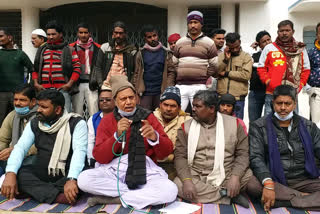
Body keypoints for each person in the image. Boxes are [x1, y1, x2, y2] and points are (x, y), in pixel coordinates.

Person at [77, 76, 177, 209]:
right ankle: (134, 196)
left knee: (170, 190)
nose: (129, 102)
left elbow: (166, 151)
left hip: (145, 170)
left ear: (137, 98)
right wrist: (116, 136)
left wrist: (154, 136)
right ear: (115, 101)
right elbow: (99, 156)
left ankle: (115, 199)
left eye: (131, 97)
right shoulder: (107, 121)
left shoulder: (148, 117)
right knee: (84, 179)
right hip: (114, 170)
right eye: (123, 99)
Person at [1, 89, 87, 204]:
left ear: (57, 110)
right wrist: (10, 173)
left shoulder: (76, 123)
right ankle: (57, 196)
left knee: (83, 180)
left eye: (44, 107)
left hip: (66, 174)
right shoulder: (35, 123)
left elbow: (79, 151)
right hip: (42, 173)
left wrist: (72, 179)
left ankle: (38, 192)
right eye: (38, 106)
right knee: (18, 175)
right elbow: (20, 148)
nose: (39, 110)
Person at [174, 90, 252, 207]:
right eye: (193, 106)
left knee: (251, 181)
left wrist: (235, 176)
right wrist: (187, 180)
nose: (193, 109)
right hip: (196, 174)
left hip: (226, 173)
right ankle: (226, 196)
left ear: (211, 109)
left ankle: (212, 194)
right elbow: (180, 157)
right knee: (177, 185)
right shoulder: (186, 127)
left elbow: (243, 154)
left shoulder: (235, 125)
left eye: (198, 106)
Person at [248, 85, 320, 211]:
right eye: (279, 103)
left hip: (304, 179)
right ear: (272, 103)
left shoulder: (309, 126)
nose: (283, 108)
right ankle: (305, 199)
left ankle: (286, 200)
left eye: (287, 104)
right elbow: (255, 157)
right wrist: (268, 183)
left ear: (294, 104)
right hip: (274, 180)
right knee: (250, 184)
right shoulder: (259, 126)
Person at [258, 20, 310, 116]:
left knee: (292, 124)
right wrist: (268, 82)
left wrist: (300, 85)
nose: (284, 33)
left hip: (292, 93)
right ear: (278, 32)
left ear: (293, 31)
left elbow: (306, 69)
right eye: (281, 31)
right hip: (272, 93)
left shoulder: (300, 48)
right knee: (270, 124)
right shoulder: (269, 48)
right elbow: (261, 68)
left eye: (287, 30)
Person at [32, 20, 81, 113]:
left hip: (62, 90)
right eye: (48, 34)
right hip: (44, 90)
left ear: (60, 34)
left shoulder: (69, 50)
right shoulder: (42, 49)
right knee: (45, 115)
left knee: (64, 115)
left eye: (53, 34)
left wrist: (69, 84)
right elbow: (35, 68)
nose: (50, 37)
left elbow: (77, 68)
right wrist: (36, 83)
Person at [174, 11, 218, 111]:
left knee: (200, 114)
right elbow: (174, 62)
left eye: (196, 22)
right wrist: (182, 73)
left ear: (201, 24)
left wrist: (204, 76)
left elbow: (214, 64)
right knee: (176, 115)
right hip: (181, 86)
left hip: (199, 86)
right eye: (190, 22)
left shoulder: (209, 43)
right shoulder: (180, 42)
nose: (193, 25)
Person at [133, 25, 176, 111]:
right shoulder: (141, 53)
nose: (153, 39)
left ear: (158, 36)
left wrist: (168, 88)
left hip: (161, 91)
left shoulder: (166, 53)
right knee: (145, 116)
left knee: (160, 116)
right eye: (149, 37)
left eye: (154, 36)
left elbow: (171, 72)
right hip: (145, 92)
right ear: (145, 38)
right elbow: (137, 73)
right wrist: (136, 91)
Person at [153, 86, 191, 180]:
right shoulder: (150, 118)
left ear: (179, 108)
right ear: (160, 105)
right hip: (150, 163)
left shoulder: (187, 122)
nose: (168, 109)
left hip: (174, 167)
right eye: (165, 105)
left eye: (173, 106)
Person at [0, 84, 38, 175]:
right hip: (13, 155)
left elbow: (41, 145)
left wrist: (16, 150)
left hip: (32, 157)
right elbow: (2, 139)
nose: (17, 103)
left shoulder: (41, 117)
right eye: (15, 99)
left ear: (33, 101)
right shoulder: (13, 115)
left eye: (22, 100)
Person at [0, 28, 33, 126]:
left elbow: (32, 69)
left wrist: (29, 86)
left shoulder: (20, 54)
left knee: (20, 119)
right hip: (1, 93)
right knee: (1, 120)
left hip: (18, 94)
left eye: (1, 36)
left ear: (9, 37)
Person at [216, 32, 253, 119]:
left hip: (238, 98)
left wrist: (226, 73)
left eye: (237, 47)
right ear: (227, 45)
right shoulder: (221, 56)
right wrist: (225, 60)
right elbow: (216, 72)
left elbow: (246, 75)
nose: (235, 50)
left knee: (237, 125)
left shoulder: (246, 56)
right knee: (220, 124)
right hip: (222, 97)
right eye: (232, 48)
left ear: (239, 42)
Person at [69, 22, 101, 116]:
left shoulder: (97, 47)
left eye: (85, 32)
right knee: (77, 112)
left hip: (92, 83)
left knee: (94, 111)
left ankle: (94, 130)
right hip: (77, 84)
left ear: (90, 33)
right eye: (81, 32)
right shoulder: (71, 48)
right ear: (77, 33)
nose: (83, 35)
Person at [95, 21, 138, 87]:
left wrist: (131, 85)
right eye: (116, 33)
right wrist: (101, 84)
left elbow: (135, 70)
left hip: (124, 86)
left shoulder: (131, 50)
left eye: (121, 33)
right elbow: (98, 67)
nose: (118, 35)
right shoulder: (105, 47)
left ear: (125, 34)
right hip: (107, 85)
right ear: (113, 33)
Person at [87, 85, 115, 167]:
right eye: (101, 100)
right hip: (98, 160)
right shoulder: (93, 119)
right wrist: (91, 160)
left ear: (115, 101)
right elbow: (90, 142)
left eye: (108, 99)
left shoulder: (121, 117)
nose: (104, 101)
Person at [248, 31, 271, 122]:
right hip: (255, 92)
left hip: (270, 92)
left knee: (268, 121)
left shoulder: (276, 54)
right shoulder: (254, 55)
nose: (267, 43)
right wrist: (250, 49)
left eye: (269, 40)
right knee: (254, 121)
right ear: (259, 44)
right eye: (264, 41)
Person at [306, 23, 320, 124]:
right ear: (317, 35)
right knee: (315, 123)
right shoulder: (310, 52)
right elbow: (305, 70)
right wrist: (308, 88)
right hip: (316, 91)